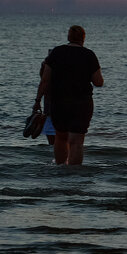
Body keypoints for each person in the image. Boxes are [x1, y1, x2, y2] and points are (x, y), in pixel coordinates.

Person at [35, 25, 103, 166]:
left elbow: (45, 80)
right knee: (77, 140)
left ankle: (60, 170)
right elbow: (98, 82)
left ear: (68, 37)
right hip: (82, 102)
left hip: (59, 101)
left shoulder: (56, 52)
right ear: (83, 38)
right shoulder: (89, 55)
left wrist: (37, 100)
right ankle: (74, 175)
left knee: (60, 137)